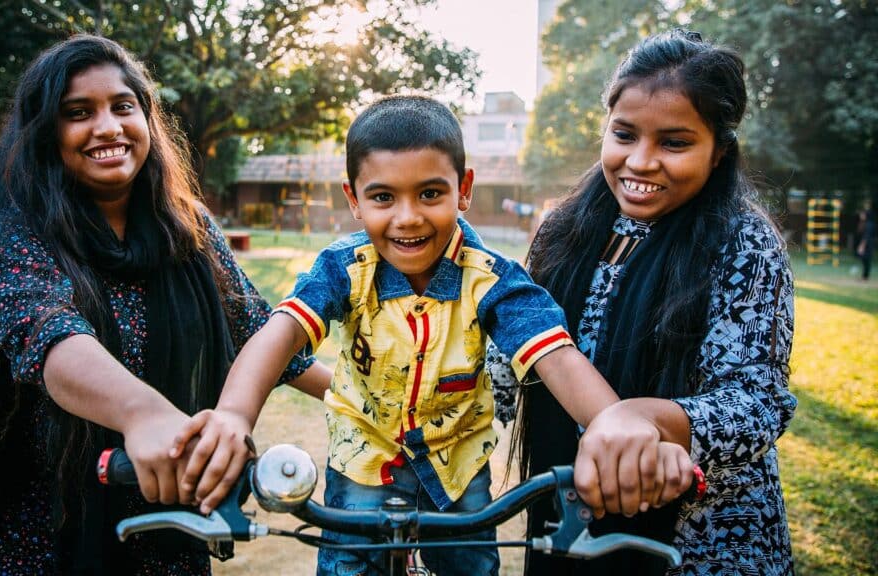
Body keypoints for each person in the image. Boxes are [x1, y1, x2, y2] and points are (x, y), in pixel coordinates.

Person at [169, 95, 694, 576]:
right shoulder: (343, 268)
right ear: (354, 200)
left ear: (463, 190)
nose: (408, 217)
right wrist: (235, 415)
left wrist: (612, 424)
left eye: (430, 193)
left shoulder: (491, 278)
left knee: (468, 565)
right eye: (383, 197)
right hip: (363, 455)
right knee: (352, 564)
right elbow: (279, 332)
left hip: (457, 461)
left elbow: (553, 351)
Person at [0, 35, 330, 575]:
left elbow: (261, 332)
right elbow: (49, 336)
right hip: (47, 532)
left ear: (146, 119)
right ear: (46, 132)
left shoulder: (188, 225)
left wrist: (365, 402)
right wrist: (143, 414)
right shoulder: (20, 227)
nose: (107, 127)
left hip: (168, 523)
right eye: (78, 112)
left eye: (122, 107)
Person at [487, 30, 798, 575]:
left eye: (674, 143)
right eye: (624, 134)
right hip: (570, 527)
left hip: (699, 544)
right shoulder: (563, 230)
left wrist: (645, 419)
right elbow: (512, 362)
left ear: (718, 149)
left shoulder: (744, 242)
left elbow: (757, 403)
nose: (641, 161)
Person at [856, 203, 874, 280]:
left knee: (867, 260)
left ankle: (865, 276)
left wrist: (862, 246)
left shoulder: (869, 224)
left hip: (868, 245)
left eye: (862, 214)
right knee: (864, 260)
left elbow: (866, 236)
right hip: (866, 244)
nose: (861, 215)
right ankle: (864, 276)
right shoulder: (864, 223)